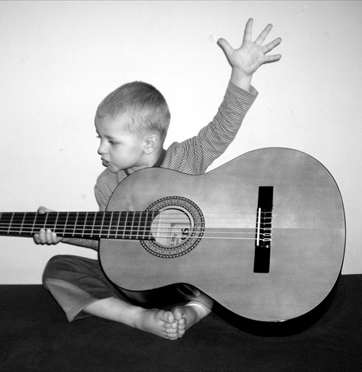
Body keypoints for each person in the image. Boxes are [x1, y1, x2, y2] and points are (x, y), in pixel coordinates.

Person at [34, 19, 282, 340]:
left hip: (198, 279)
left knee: (222, 275)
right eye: (100, 138)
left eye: (111, 140)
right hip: (146, 286)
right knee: (58, 268)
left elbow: (221, 129)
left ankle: (191, 311)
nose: (100, 148)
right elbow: (111, 244)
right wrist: (61, 231)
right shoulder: (107, 185)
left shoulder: (186, 158)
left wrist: (242, 73)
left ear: (149, 143)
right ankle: (140, 318)